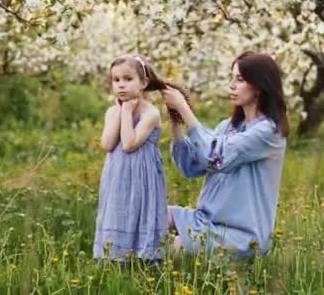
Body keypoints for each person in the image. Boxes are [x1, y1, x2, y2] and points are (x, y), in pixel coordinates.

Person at [161, 52, 289, 258]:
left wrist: (185, 109)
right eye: (232, 78)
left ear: (258, 86)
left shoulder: (268, 132)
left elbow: (215, 156)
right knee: (148, 214)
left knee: (168, 248)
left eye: (239, 79)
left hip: (240, 235)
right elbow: (191, 166)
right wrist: (175, 120)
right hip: (205, 221)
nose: (231, 85)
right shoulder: (228, 127)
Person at [94, 54, 178, 261]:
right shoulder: (112, 112)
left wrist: (127, 112)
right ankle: (115, 256)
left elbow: (130, 144)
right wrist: (119, 112)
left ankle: (144, 257)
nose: (121, 85)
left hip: (142, 175)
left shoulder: (151, 114)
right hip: (118, 174)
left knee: (140, 210)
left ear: (144, 82)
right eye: (116, 80)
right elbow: (107, 144)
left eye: (128, 79)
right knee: (118, 209)